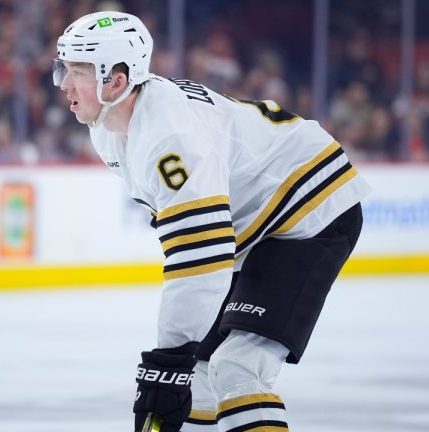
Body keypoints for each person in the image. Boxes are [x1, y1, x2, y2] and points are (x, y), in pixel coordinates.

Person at [53, 11, 371, 432]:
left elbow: (202, 258)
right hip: (257, 226)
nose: (63, 84)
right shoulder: (109, 127)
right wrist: (175, 364)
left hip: (309, 215)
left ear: (116, 80)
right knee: (199, 381)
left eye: (76, 72)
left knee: (238, 369)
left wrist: (168, 359)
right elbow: (200, 248)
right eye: (63, 69)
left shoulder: (167, 137)